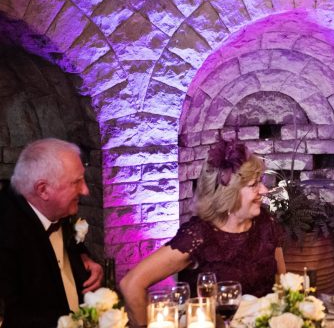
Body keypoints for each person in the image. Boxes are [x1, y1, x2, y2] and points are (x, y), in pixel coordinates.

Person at [120, 143, 286, 326]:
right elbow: (131, 284)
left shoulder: (265, 223)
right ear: (228, 195)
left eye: (260, 181)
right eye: (254, 185)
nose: (264, 190)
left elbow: (284, 287)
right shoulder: (198, 235)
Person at [0, 138, 104, 328]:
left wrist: (84, 255)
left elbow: (68, 242)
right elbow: (14, 314)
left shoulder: (53, 208)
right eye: (77, 182)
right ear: (43, 190)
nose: (86, 190)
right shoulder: (7, 231)